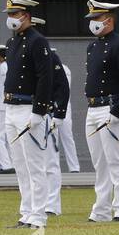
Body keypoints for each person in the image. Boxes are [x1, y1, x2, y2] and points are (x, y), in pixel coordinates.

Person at [83, 0, 119, 223]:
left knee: (116, 161)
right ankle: (102, 210)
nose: (94, 23)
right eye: (92, 19)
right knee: (100, 163)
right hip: (94, 107)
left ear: (109, 19)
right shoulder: (92, 46)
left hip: (112, 107)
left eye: (97, 18)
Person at [1, 0, 54, 228]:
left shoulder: (37, 41)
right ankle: (26, 212)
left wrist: (39, 110)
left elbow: (45, 76)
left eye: (15, 14)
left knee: (34, 166)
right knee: (21, 166)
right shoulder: (12, 43)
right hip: (11, 108)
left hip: (28, 108)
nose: (11, 19)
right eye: (9, 15)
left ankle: (39, 215)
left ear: (27, 16)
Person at [46, 49, 70, 216]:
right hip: (22, 112)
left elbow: (62, 87)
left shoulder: (50, 57)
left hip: (45, 114)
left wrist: (59, 114)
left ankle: (52, 205)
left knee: (50, 162)